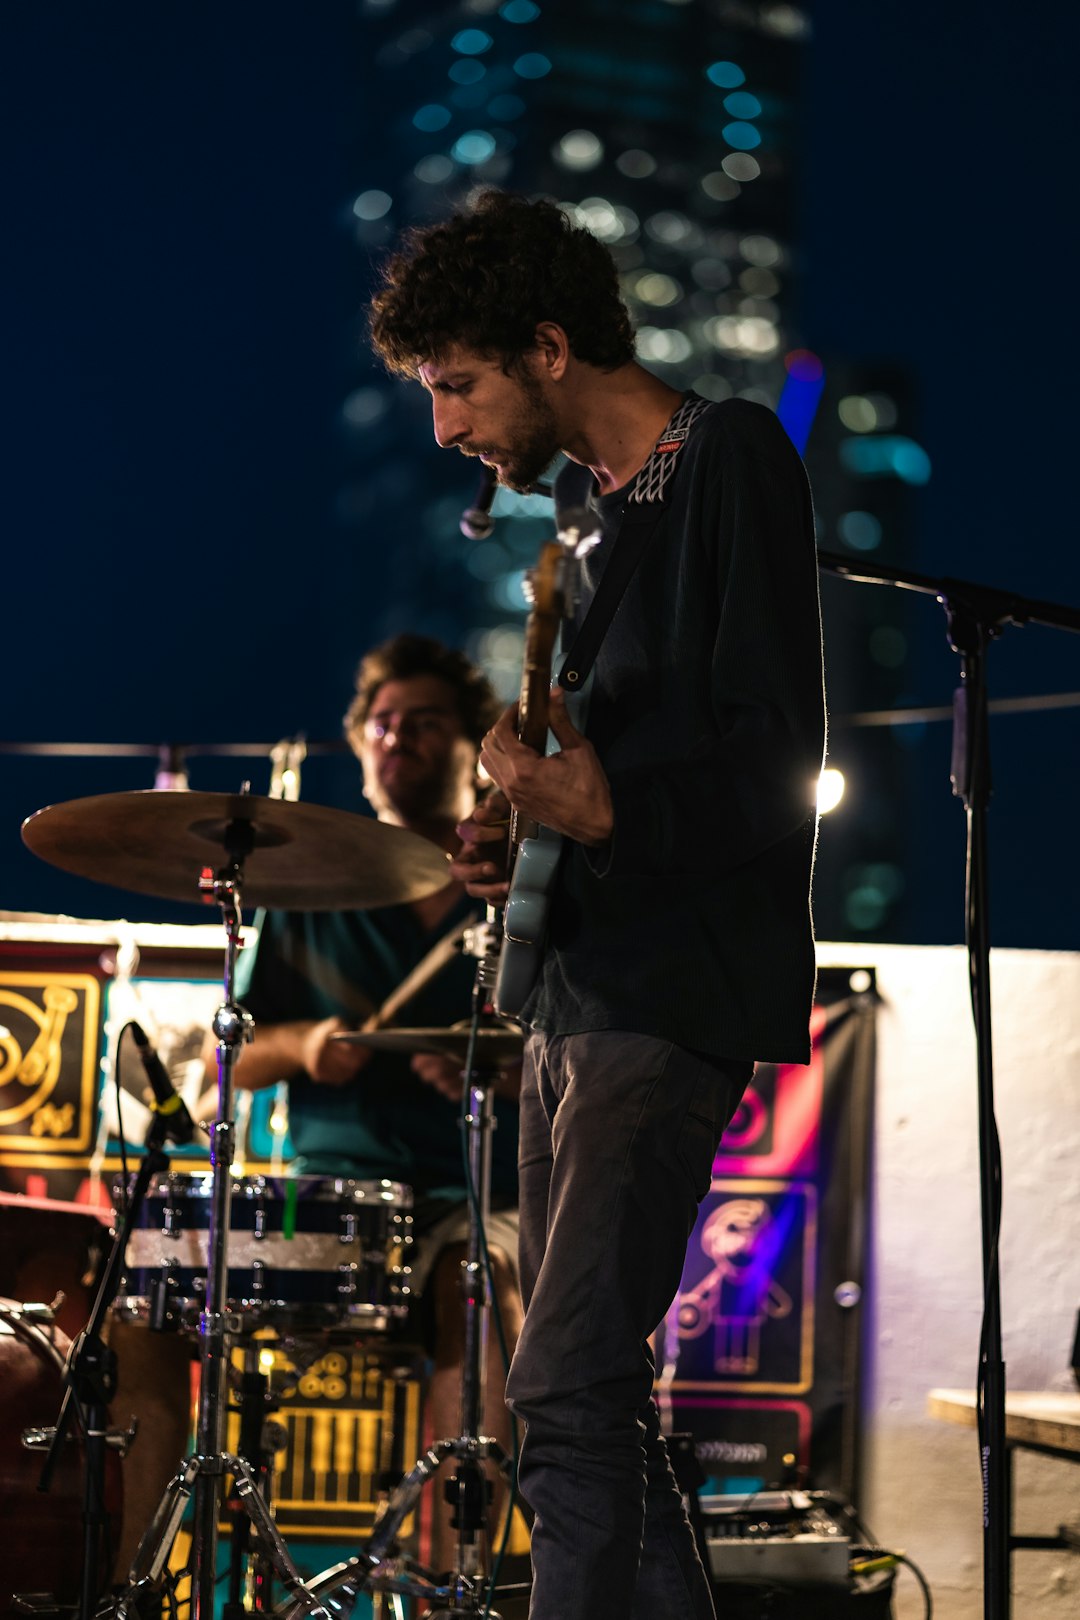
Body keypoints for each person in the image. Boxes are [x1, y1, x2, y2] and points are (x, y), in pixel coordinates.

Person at [368, 191, 826, 1620]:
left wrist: (603, 811)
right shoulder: (588, 520)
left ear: (549, 345)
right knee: (590, 1402)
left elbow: (774, 761)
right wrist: (530, 845)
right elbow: (611, 779)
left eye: (457, 382)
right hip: (579, 992)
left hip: (668, 995)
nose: (443, 426)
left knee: (563, 1384)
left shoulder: (727, 461)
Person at [226, 632, 524, 1564]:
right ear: (359, 750)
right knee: (145, 1308)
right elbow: (233, 1057)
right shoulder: (305, 891)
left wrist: (497, 1066)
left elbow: (570, 1052)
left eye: (427, 723)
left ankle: (451, 1581)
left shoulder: (514, 890)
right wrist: (304, 1044)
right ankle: (143, 1582)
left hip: (475, 1193)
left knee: (475, 1285)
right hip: (329, 1195)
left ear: (477, 747)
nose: (400, 740)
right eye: (383, 724)